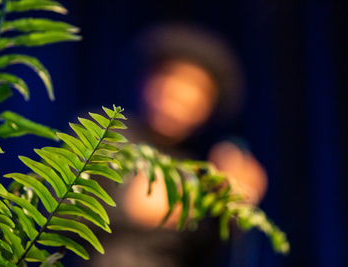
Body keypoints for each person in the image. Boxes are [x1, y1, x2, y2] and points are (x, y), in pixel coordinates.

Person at [86, 24, 268, 267]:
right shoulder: (104, 134)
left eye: (197, 89)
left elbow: (206, 250)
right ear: (146, 80)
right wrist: (128, 206)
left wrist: (233, 207)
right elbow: (57, 213)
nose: (180, 96)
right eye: (172, 78)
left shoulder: (197, 165)